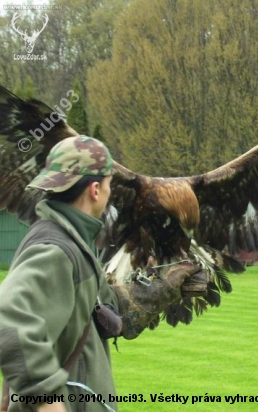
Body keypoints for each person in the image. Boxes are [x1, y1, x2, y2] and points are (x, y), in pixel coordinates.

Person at [0, 136, 201, 412]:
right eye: (108, 184)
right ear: (96, 190)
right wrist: (46, 401)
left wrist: (164, 290)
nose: (110, 193)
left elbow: (108, 311)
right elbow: (9, 321)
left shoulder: (74, 244)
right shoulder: (55, 249)